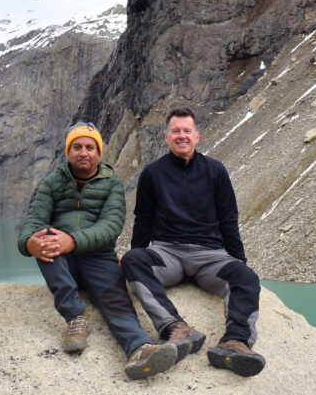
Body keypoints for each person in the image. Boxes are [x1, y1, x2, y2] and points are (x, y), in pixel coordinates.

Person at [17, 121, 177, 380]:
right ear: (68, 151)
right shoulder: (53, 182)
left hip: (99, 258)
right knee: (44, 237)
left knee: (115, 299)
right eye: (77, 147)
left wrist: (73, 241)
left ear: (98, 153)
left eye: (90, 147)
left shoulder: (112, 184)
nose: (83, 152)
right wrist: (28, 243)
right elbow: (34, 219)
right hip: (63, 262)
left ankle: (139, 348)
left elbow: (110, 226)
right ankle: (75, 317)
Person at [120, 107, 266, 377]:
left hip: (210, 255)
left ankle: (235, 342)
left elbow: (229, 219)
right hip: (167, 253)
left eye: (187, 131)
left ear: (197, 136)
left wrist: (238, 262)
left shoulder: (216, 171)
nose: (182, 136)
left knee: (246, 276)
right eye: (175, 131)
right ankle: (176, 327)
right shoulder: (152, 173)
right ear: (166, 137)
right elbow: (143, 219)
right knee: (133, 260)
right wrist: (134, 256)